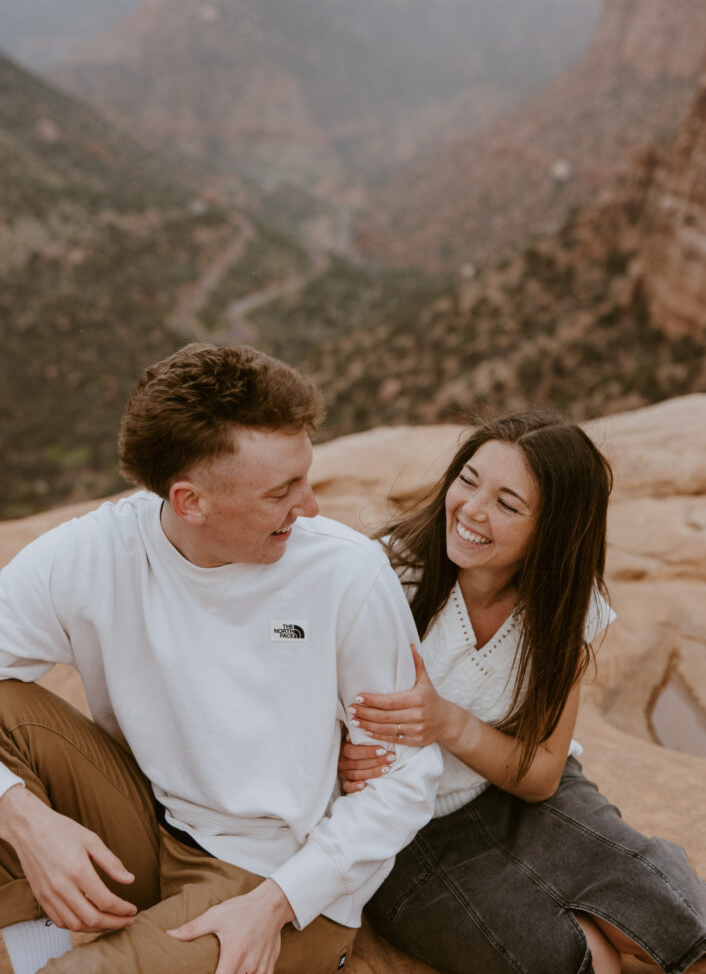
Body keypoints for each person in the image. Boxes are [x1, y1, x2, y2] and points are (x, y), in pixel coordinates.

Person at [0, 343, 442, 974]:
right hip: (147, 827)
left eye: (306, 478)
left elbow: (405, 781)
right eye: (281, 492)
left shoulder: (347, 576)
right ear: (190, 503)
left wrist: (274, 906)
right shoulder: (95, 552)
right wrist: (21, 815)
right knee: (6, 705)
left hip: (272, 877)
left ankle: (71, 944)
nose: (311, 507)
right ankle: (78, 926)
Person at [339, 411, 706, 974]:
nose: (471, 511)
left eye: (508, 504)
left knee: (677, 920)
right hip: (409, 832)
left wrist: (448, 723)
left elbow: (541, 776)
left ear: (553, 529)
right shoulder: (386, 578)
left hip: (519, 797)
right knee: (578, 957)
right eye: (468, 479)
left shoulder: (563, 605)